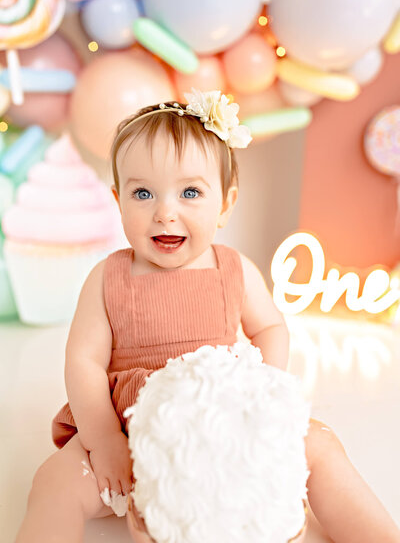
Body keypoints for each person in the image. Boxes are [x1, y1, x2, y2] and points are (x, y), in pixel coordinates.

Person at [15, 90, 400, 543]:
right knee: (54, 482)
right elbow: (83, 362)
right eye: (143, 193)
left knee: (321, 443)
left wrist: (266, 401)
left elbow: (270, 327)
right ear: (118, 200)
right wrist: (105, 442)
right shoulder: (107, 277)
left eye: (190, 192)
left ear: (226, 203)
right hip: (132, 432)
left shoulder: (234, 269)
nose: (165, 212)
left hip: (225, 424)